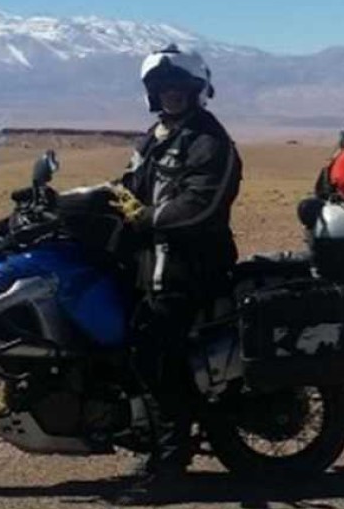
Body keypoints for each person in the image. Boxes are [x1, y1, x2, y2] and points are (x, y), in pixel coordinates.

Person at [116, 43, 242, 486]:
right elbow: (129, 187)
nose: (170, 94)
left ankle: (169, 463)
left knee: (153, 351)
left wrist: (145, 219)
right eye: (162, 87)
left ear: (196, 90)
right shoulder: (155, 137)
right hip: (154, 264)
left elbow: (200, 205)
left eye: (178, 87)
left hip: (191, 267)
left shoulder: (210, 140)